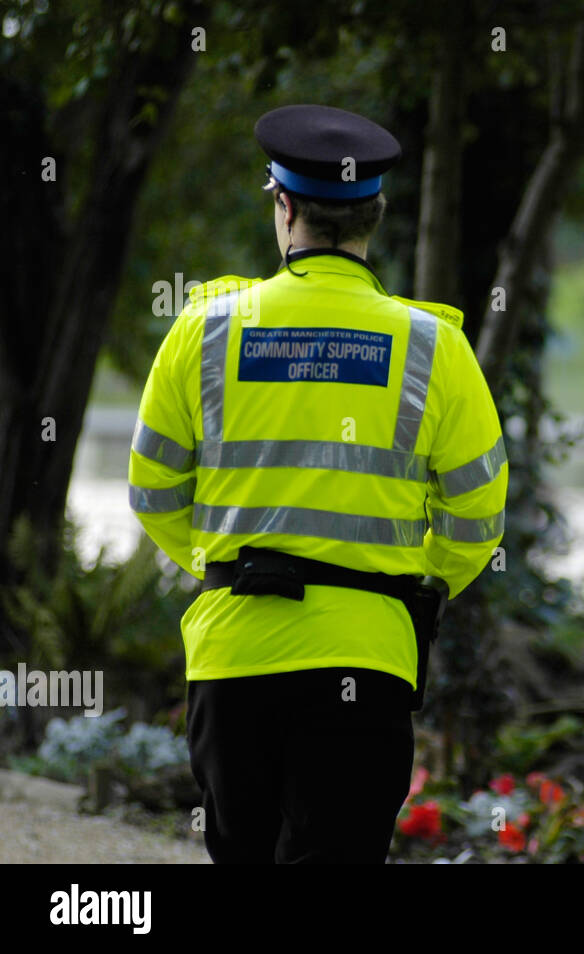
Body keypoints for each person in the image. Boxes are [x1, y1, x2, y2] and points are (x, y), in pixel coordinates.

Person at [128, 104, 507, 863]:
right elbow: (476, 515)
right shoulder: (435, 347)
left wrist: (220, 560)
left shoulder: (204, 331)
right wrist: (417, 585)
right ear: (378, 213)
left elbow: (152, 489)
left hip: (236, 658)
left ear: (285, 204)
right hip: (367, 663)